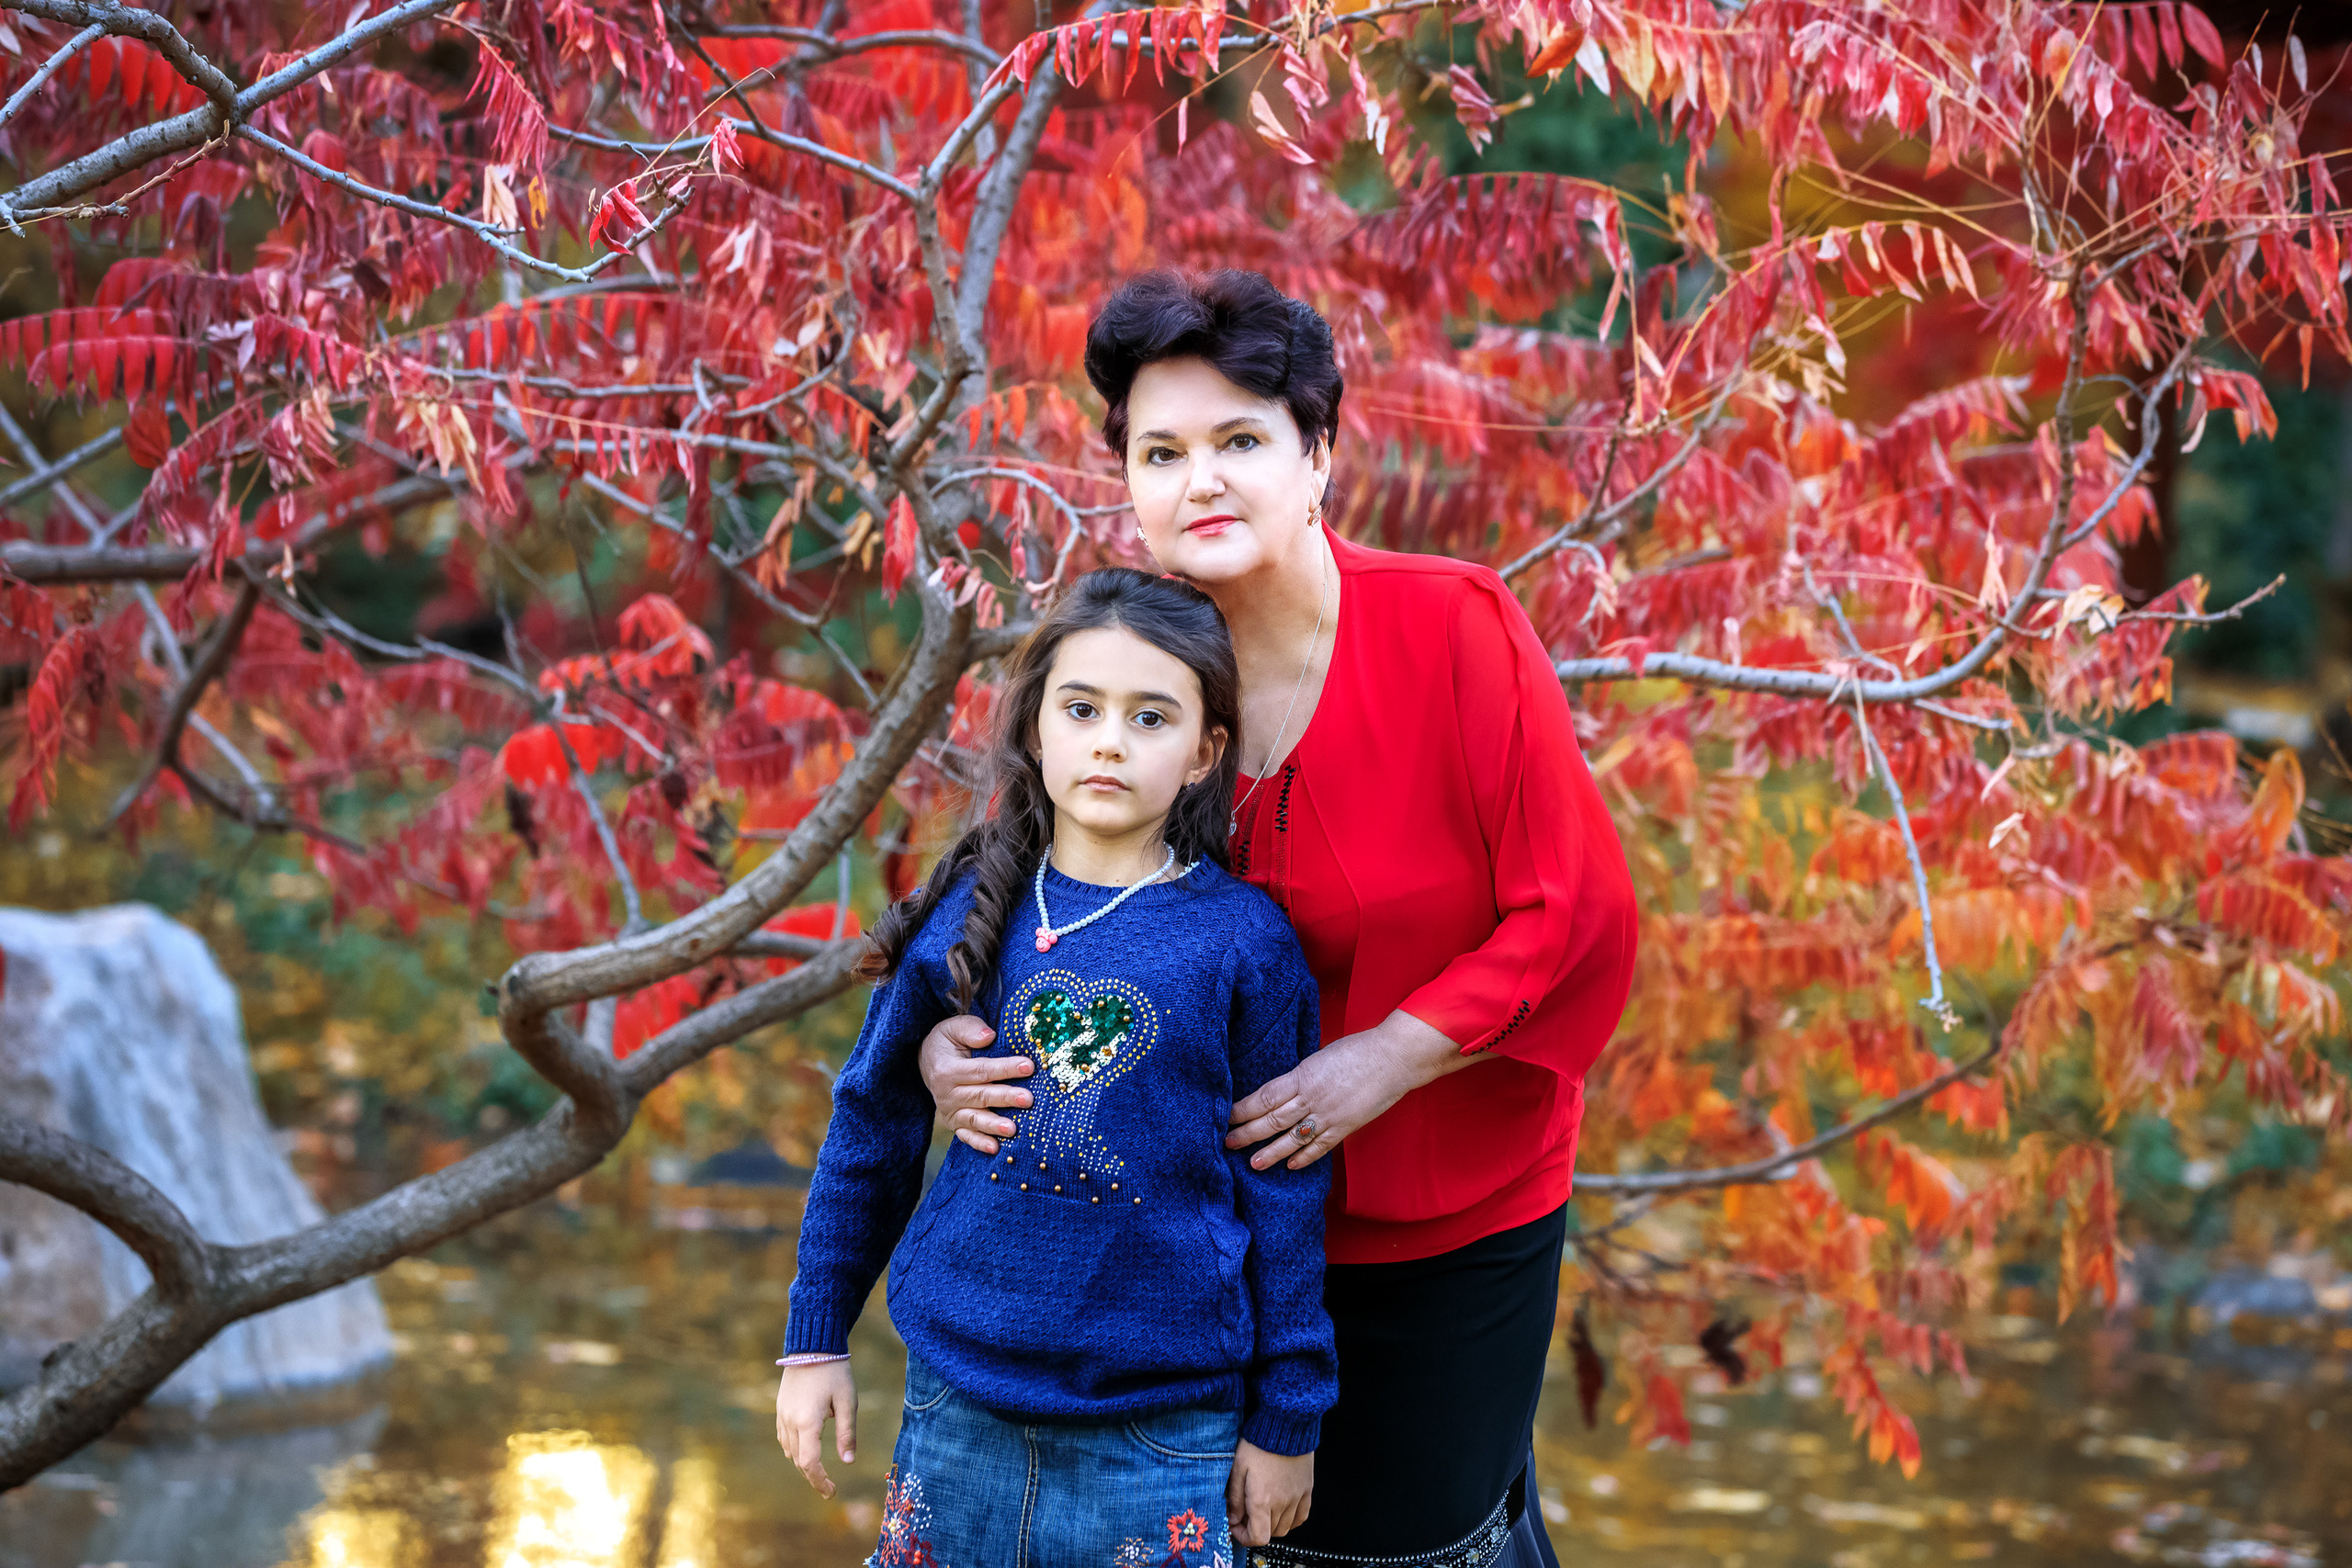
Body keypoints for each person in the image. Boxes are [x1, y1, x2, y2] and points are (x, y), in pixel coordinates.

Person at [919, 271, 1640, 1568]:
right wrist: (943, 1044)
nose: (1200, 479)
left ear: (1318, 457)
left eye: (1240, 440)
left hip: (1439, 1221)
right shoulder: (1134, 667)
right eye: (1161, 452)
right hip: (1183, 1240)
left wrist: (1390, 1055)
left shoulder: (1456, 627)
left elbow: (1575, 914)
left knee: (1410, 1549)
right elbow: (1019, 898)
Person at [775, 567, 1337, 1565]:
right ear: (1037, 729)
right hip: (955, 1409)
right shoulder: (971, 913)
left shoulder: (1243, 944)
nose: (1111, 740)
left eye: (1151, 717)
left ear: (1206, 751)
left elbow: (1283, 1187)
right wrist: (816, 1337)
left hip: (1161, 1434)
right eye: (1082, 709)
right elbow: (871, 1125)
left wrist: (1287, 1415)